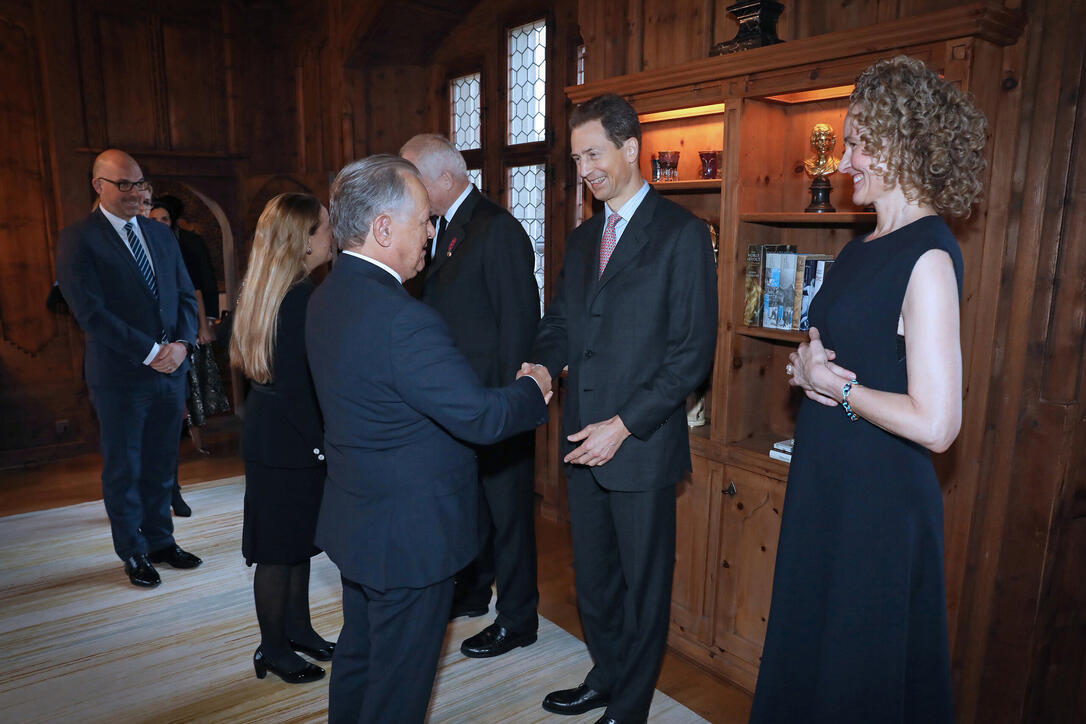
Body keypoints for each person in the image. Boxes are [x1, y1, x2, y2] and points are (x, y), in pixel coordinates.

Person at [749, 55, 988, 723]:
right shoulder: (860, 249)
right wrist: (806, 369)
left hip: (878, 504)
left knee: (855, 673)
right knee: (810, 654)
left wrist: (837, 389)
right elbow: (840, 352)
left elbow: (939, 423)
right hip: (828, 485)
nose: (845, 159)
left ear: (896, 144)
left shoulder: (930, 255)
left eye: (856, 142)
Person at [305, 155, 551, 724]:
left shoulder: (328, 293)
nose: (432, 232)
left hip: (359, 520)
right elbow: (481, 418)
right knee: (399, 690)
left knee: (362, 659)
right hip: (410, 538)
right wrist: (533, 389)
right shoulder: (403, 320)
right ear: (383, 228)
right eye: (423, 220)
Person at [530, 94, 717, 724]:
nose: (584, 168)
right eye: (577, 157)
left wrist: (625, 425)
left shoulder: (683, 234)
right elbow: (560, 323)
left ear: (631, 149)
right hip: (581, 441)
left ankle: (631, 706)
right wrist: (539, 364)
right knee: (596, 581)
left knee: (643, 588)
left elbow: (691, 354)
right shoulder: (584, 239)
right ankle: (606, 675)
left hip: (640, 447)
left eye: (594, 154)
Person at [399, 133, 542, 656]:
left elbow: (519, 326)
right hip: (458, 403)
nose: (408, 188)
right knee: (472, 508)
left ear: (442, 178)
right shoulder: (439, 229)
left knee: (510, 519)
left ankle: (519, 618)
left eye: (413, 176)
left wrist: (510, 406)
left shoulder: (496, 229)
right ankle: (476, 590)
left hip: (496, 403)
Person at [55, 149, 202, 588]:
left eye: (139, 183)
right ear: (98, 185)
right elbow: (90, 312)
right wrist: (150, 350)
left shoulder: (160, 235)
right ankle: (133, 551)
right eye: (125, 185)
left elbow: (184, 297)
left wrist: (181, 345)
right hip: (121, 376)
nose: (136, 193)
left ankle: (161, 541)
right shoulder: (78, 238)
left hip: (170, 372)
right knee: (125, 467)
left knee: (162, 464)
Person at [228, 192, 337, 684]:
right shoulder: (298, 298)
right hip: (289, 441)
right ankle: (273, 647)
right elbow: (297, 391)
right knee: (277, 552)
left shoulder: (273, 288)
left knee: (296, 544)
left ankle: (298, 629)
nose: (332, 235)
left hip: (273, 436)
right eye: (325, 228)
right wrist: (323, 447)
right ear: (303, 241)